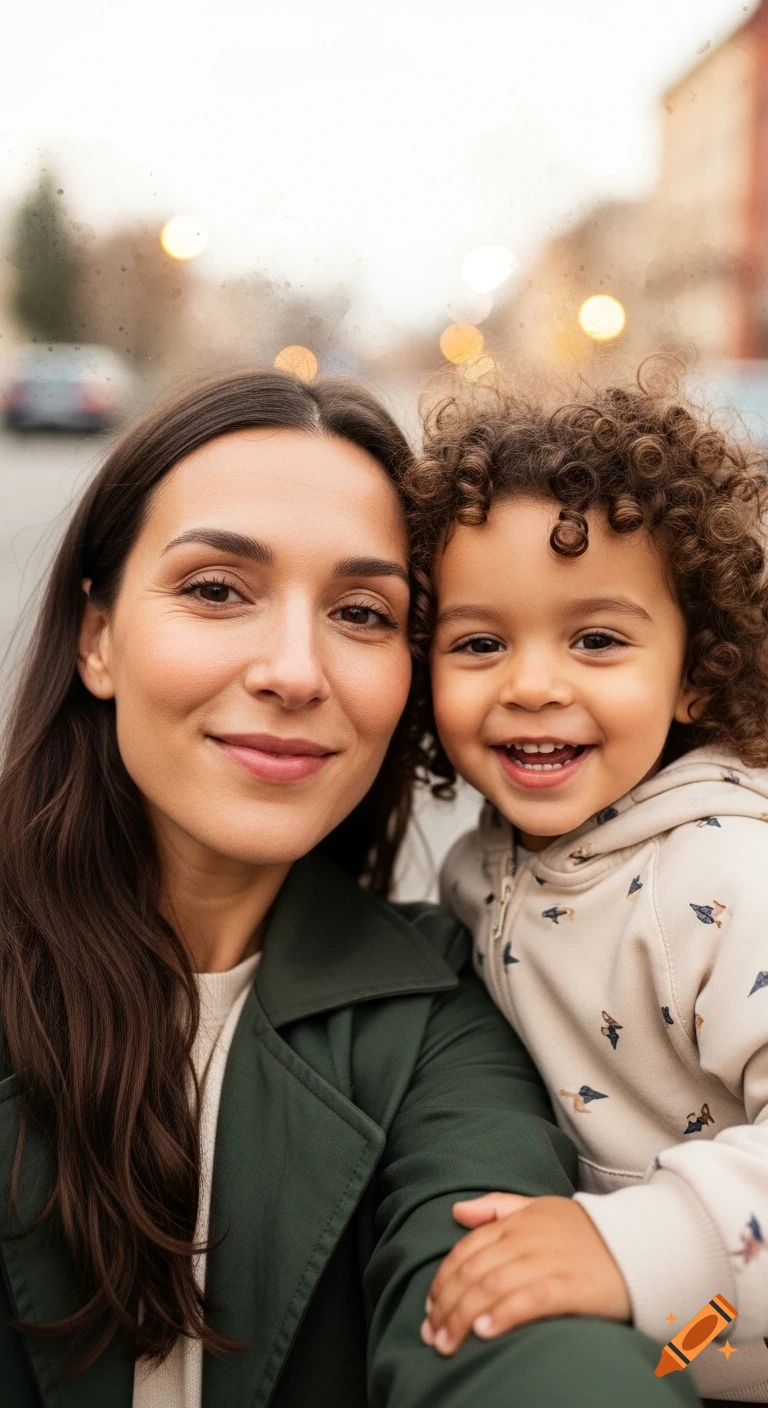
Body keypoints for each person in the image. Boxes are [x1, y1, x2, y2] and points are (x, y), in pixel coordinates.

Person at [0, 370, 697, 1408]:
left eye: (362, 612)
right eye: (217, 589)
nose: (294, 669)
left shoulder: (450, 1007)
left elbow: (505, 1330)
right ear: (97, 637)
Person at [408, 372, 768, 1405]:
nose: (532, 683)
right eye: (480, 642)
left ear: (695, 670)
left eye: (597, 639)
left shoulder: (725, 875)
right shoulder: (481, 868)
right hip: (649, 1352)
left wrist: (626, 1243)